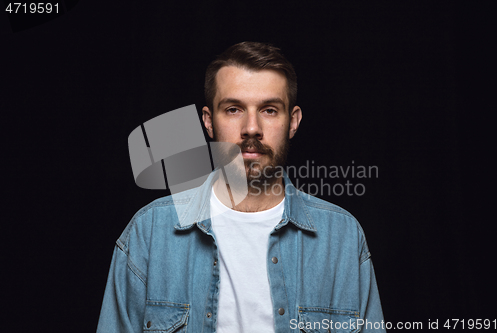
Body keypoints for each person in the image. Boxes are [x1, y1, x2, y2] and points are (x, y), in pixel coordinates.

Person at [97, 41, 385, 332]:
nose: (251, 127)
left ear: (293, 121)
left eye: (269, 110)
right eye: (233, 109)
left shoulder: (342, 238)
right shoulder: (149, 232)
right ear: (208, 122)